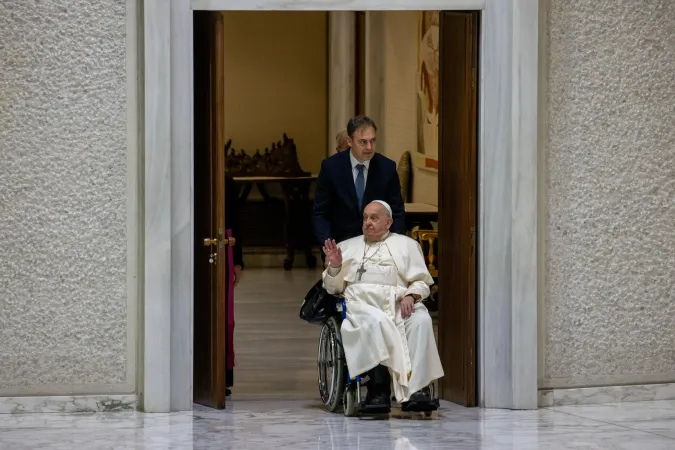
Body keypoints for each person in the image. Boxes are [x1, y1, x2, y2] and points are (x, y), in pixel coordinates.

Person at [321, 200, 443, 413]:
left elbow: (422, 281)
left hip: (399, 305)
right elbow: (333, 288)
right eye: (365, 218)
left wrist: (411, 296)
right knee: (376, 322)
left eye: (374, 218)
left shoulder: (406, 245)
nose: (368, 223)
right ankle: (378, 390)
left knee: (421, 320)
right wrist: (336, 266)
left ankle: (418, 390)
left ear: (388, 222)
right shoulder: (347, 247)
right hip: (362, 309)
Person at [313, 115, 405, 247]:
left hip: (379, 246)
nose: (369, 147)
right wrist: (328, 243)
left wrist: (395, 245)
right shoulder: (331, 167)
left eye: (373, 141)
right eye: (363, 142)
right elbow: (320, 212)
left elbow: (397, 212)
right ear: (349, 141)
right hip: (340, 245)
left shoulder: (387, 168)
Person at [225, 175, 244, 396]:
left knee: (226, 321)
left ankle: (223, 376)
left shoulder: (226, 180)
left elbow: (234, 221)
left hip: (224, 249)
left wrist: (238, 261)